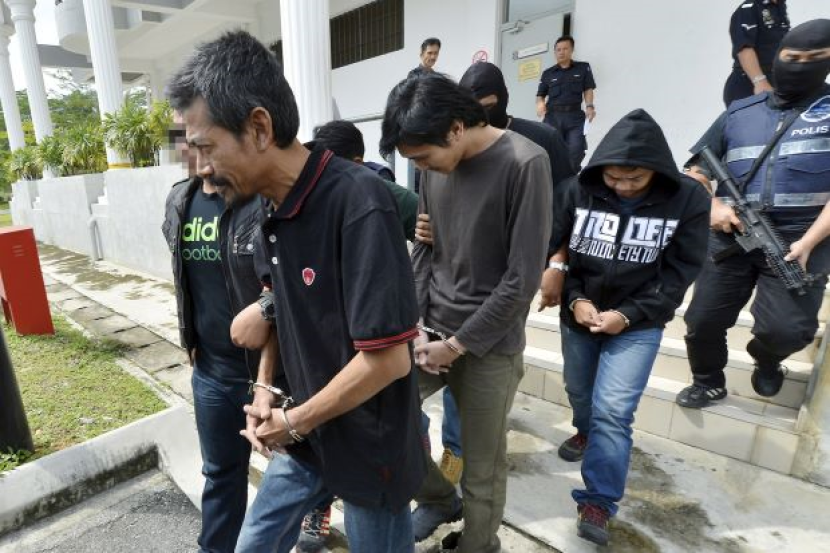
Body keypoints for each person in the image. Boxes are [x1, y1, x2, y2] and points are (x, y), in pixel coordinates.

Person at [166, 30, 425, 553]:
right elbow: (279, 308)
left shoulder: (358, 203)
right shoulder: (266, 206)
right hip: (308, 433)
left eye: (206, 147)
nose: (202, 167)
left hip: (368, 441)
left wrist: (293, 420)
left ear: (259, 127)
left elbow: (388, 360)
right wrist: (265, 387)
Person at [381, 74, 552, 552]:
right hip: (430, 332)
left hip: (489, 348)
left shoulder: (525, 163)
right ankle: (438, 498)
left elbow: (522, 280)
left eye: (422, 157)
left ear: (456, 128)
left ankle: (479, 543)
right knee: (381, 419)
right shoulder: (432, 167)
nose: (420, 168)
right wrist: (416, 325)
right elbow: (424, 250)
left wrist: (456, 346)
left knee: (482, 465)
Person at [552, 109, 710, 546]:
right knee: (580, 392)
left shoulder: (687, 199)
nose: (622, 186)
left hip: (639, 322)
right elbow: (559, 248)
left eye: (634, 178)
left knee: (613, 411)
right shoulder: (577, 189)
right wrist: (575, 298)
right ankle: (585, 432)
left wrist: (629, 314)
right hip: (580, 313)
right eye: (614, 178)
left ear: (656, 169)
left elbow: (681, 270)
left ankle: (598, 501)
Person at [677, 19, 830, 409]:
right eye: (792, 57)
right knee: (702, 320)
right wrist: (711, 206)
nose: (800, 66)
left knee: (788, 331)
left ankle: (767, 356)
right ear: (776, 57)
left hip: (800, 240)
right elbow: (695, 172)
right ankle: (708, 381)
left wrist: (810, 241)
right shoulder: (740, 112)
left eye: (814, 58)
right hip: (731, 233)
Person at [161, 116, 272, 553]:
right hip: (210, 371)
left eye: (198, 138)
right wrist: (191, 338)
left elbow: (296, 279)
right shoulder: (179, 200)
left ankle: (313, 512)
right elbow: (184, 277)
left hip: (271, 371)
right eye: (180, 140)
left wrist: (267, 307)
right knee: (221, 474)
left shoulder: (260, 198)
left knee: (296, 467)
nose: (190, 148)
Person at [459, 61, 576, 311]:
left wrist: (558, 262)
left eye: (488, 107)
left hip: (529, 264)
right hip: (475, 270)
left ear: (504, 97)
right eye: (471, 110)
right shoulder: (460, 143)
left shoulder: (543, 139)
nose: (481, 118)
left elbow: (567, 205)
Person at [536, 35, 596, 170]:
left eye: (565, 49)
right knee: (550, 150)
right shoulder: (548, 73)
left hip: (575, 117)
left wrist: (589, 106)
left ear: (572, 50)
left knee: (576, 150)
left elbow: (588, 88)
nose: (561, 52)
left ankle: (569, 177)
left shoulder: (583, 68)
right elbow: (540, 95)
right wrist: (540, 104)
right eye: (558, 50)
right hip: (553, 117)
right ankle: (553, 177)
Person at [723, 0, 790, 107]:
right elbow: (744, 48)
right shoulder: (749, 8)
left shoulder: (779, 6)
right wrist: (759, 81)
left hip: (774, 82)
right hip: (750, 84)